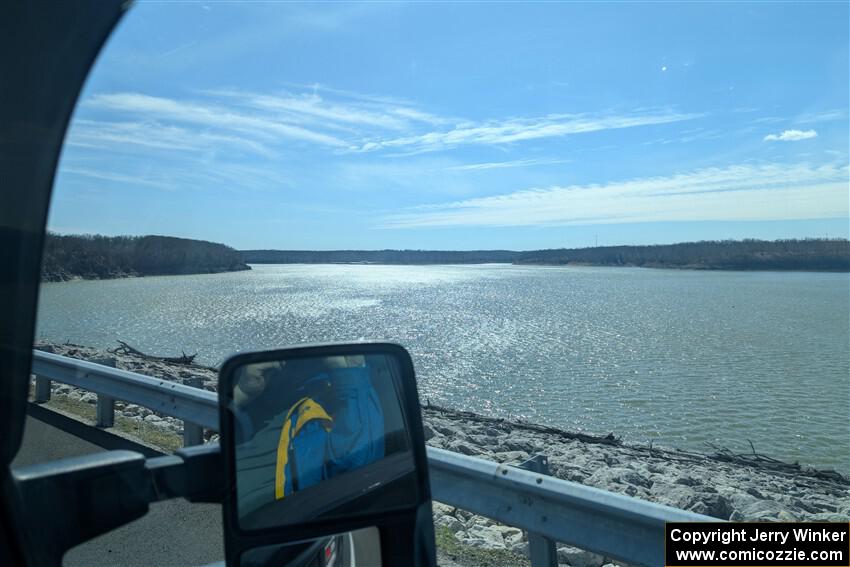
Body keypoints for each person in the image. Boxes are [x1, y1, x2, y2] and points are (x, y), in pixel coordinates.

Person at [234, 355, 385, 521]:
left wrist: (349, 374)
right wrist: (241, 394)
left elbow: (357, 470)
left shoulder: (330, 403)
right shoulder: (262, 384)